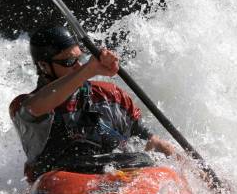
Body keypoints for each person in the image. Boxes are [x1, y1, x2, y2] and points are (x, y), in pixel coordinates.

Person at [10, 26, 176, 182]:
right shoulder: (24, 106)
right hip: (58, 189)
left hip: (110, 183)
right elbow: (36, 107)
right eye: (69, 62)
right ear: (44, 66)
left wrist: (195, 172)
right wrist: (89, 69)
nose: (79, 66)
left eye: (79, 59)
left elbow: (153, 143)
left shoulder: (110, 96)